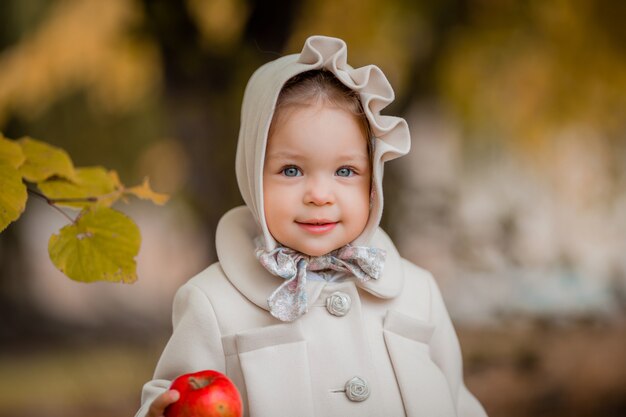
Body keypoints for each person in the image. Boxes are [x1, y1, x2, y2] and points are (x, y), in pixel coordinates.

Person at [137, 35, 487, 417]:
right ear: (252, 175)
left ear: (373, 180)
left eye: (345, 171)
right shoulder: (213, 303)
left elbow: (457, 402)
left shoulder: (419, 294)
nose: (320, 195)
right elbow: (172, 400)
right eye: (291, 170)